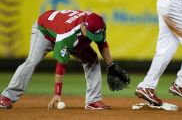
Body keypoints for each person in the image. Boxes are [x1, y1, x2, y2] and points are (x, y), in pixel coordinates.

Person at [0, 10, 130, 109]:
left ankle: (93, 101)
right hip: (45, 32)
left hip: (68, 34)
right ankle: (6, 96)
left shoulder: (97, 26)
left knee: (92, 59)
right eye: (91, 35)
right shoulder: (68, 34)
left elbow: (102, 43)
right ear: (84, 27)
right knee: (32, 61)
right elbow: (61, 64)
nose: (93, 38)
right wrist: (57, 93)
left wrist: (111, 64)